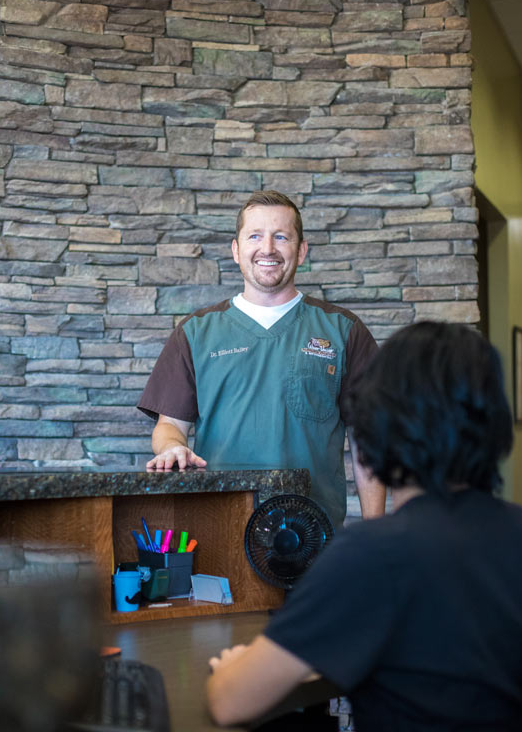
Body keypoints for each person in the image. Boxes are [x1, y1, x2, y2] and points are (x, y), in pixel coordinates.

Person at [206, 322, 522, 731]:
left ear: (382, 424)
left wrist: (234, 665)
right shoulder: (518, 530)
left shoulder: (373, 555)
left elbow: (230, 702)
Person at [137, 191, 386, 527]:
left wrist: (375, 534)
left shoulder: (343, 331)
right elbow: (169, 426)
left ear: (301, 250)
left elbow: (368, 442)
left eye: (281, 236)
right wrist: (171, 448)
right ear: (237, 250)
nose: (267, 248)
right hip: (220, 529)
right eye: (255, 236)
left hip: (312, 536)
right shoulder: (196, 332)